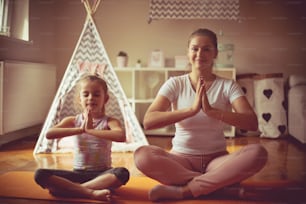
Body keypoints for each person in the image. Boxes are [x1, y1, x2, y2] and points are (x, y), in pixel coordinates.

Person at [134, 28, 268, 202]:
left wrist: (213, 112)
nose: (200, 54)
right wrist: (190, 110)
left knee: (259, 153)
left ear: (215, 53)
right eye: (195, 48)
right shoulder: (175, 84)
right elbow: (149, 121)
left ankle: (184, 191)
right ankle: (217, 186)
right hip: (181, 160)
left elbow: (252, 123)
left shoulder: (228, 85)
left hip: (217, 161)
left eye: (206, 49)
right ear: (188, 52)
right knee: (142, 156)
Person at [34, 74, 130, 201]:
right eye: (86, 94)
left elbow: (120, 136)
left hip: (102, 175)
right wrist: (81, 129)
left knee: (122, 173)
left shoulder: (110, 121)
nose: (91, 98)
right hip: (77, 173)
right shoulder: (73, 121)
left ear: (105, 99)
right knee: (40, 174)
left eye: (96, 94)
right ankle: (90, 193)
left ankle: (72, 190)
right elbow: (49, 134)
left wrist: (91, 131)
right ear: (80, 99)